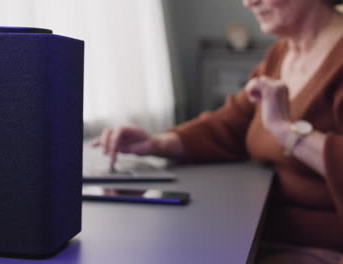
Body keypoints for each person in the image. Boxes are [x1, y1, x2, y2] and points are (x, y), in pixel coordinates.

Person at [92, 0, 343, 263]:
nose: (249, 2)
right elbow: (230, 123)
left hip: (319, 248)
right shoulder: (280, 54)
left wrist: (286, 131)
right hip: (263, 236)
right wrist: (158, 143)